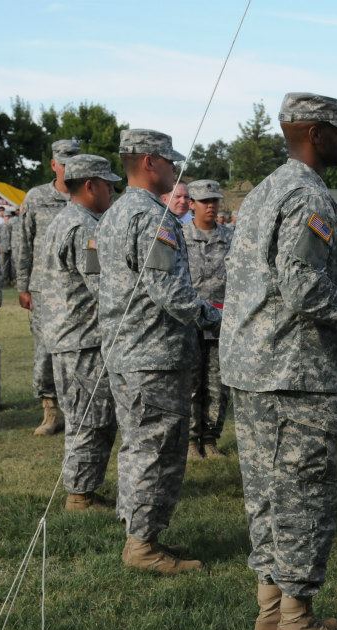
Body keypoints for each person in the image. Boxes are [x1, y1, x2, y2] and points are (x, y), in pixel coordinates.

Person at [220, 93, 337, 630]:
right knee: (303, 495)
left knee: (268, 497)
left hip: (253, 367)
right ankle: (296, 623)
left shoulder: (264, 191)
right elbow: (303, 290)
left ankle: (271, 618)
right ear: (316, 134)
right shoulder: (308, 197)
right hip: (294, 374)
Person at [98, 129, 221, 574]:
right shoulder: (152, 217)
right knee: (155, 449)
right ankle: (143, 545)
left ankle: (139, 534)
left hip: (128, 349)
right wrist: (218, 319)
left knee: (138, 446)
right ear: (149, 162)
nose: (176, 170)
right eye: (170, 162)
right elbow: (170, 292)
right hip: (154, 354)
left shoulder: (114, 213)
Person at [39, 154, 120, 511]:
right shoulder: (84, 227)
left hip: (70, 335)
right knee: (91, 416)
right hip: (82, 338)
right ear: (90, 186)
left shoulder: (66, 219)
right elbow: (101, 284)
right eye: (108, 185)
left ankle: (82, 488)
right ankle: (79, 495)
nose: (113, 192)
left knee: (84, 414)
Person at [16, 138, 80, 435]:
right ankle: (51, 411)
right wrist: (22, 285)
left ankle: (77, 408)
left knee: (81, 347)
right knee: (45, 349)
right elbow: (23, 243)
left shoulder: (87, 195)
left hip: (80, 290)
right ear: (54, 164)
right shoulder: (36, 197)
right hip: (43, 290)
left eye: (74, 160)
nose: (68, 167)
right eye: (63, 161)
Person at [183, 179, 233, 460]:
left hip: (220, 323)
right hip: (189, 323)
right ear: (192, 204)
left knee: (217, 385)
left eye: (215, 200)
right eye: (205, 201)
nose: (211, 205)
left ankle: (211, 438)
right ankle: (190, 441)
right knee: (191, 385)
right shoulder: (179, 236)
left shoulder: (231, 237)